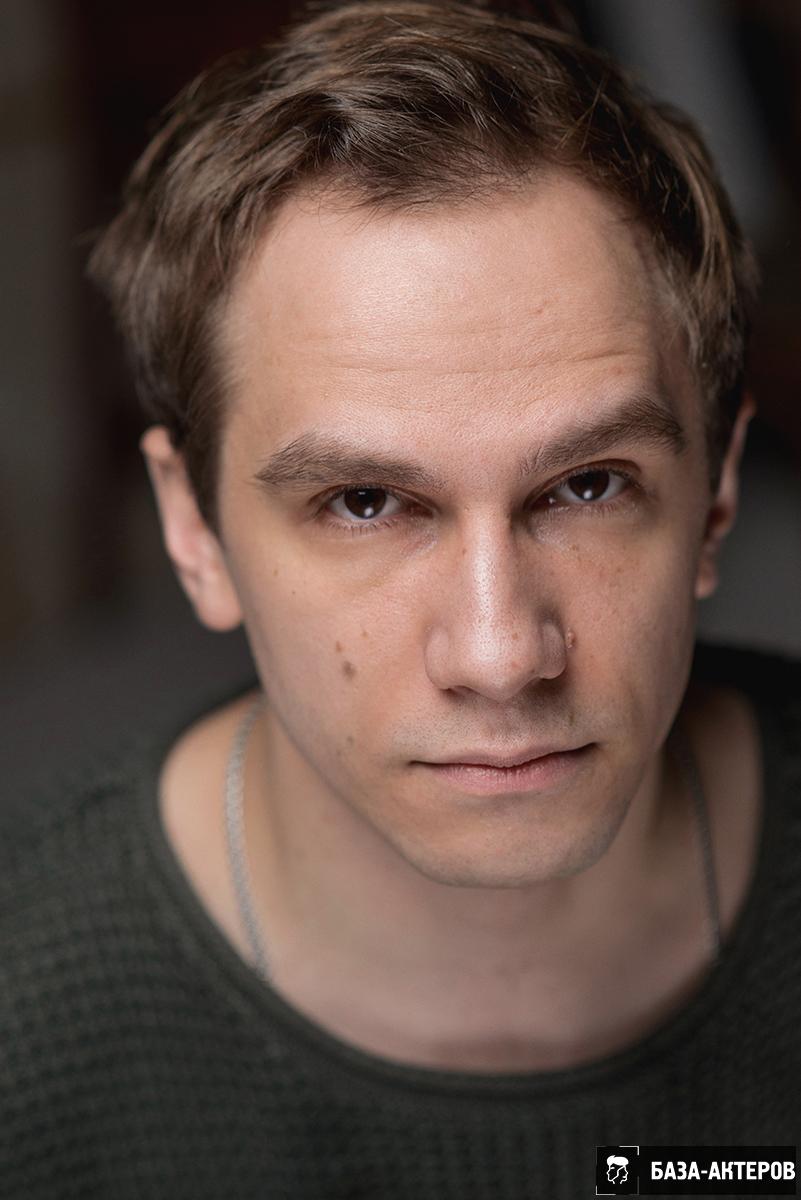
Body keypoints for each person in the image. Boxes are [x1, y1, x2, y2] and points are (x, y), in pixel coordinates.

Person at [3, 2, 799, 1195]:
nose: (501, 652)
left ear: (717, 495)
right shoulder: (24, 1019)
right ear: (192, 529)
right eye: (366, 502)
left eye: (587, 485)